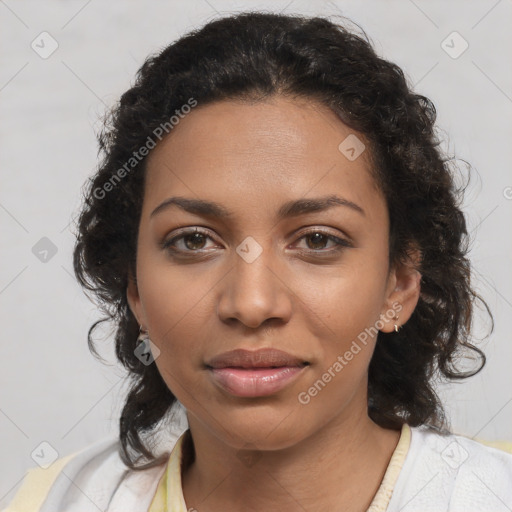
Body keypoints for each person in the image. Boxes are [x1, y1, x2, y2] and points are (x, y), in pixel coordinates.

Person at [4, 10, 512, 512]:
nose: (251, 303)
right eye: (193, 241)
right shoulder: (52, 501)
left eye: (317, 241)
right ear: (133, 286)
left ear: (399, 284)